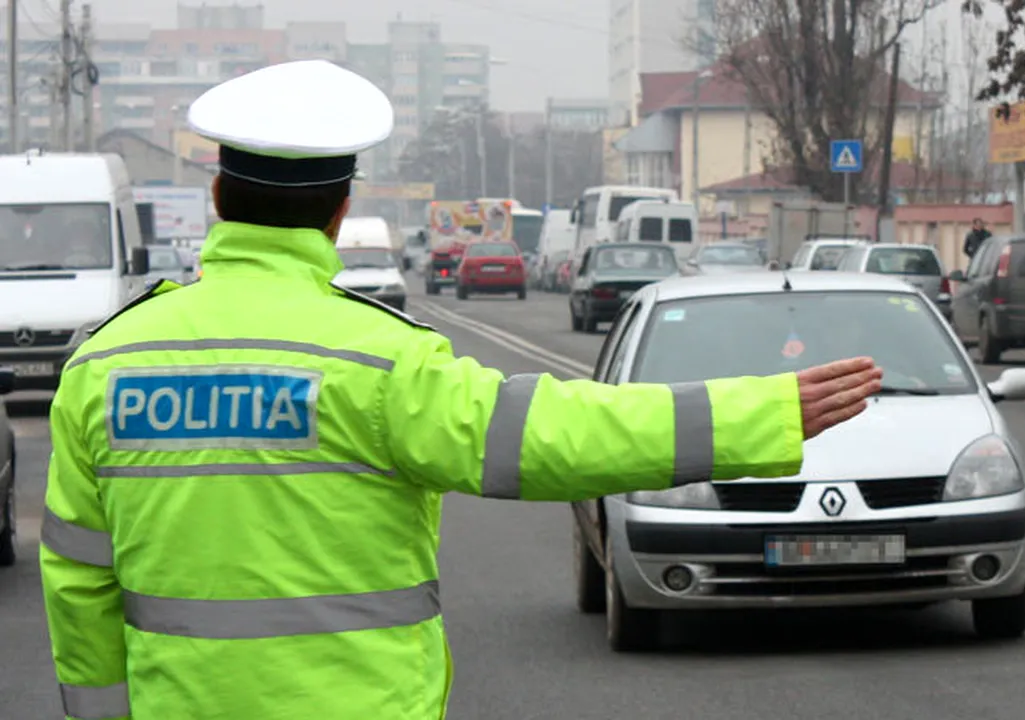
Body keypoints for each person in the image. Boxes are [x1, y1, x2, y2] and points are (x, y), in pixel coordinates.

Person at [39, 60, 883, 720]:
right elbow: (559, 435)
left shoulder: (103, 366)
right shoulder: (382, 364)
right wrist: (759, 412)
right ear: (338, 213)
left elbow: (78, 585)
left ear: (219, 197)